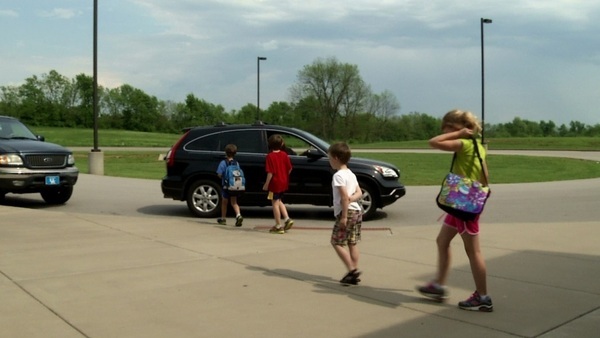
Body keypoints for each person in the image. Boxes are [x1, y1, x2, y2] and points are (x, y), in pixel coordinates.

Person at [417, 109, 493, 312]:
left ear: (456, 127)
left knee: (473, 251)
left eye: (447, 127)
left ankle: (483, 297)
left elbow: (433, 142)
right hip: (459, 202)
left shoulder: (464, 143)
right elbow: (485, 173)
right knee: (442, 241)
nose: (443, 131)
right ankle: (439, 286)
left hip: (464, 205)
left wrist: (458, 134)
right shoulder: (478, 145)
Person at [328, 142, 364, 285]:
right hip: (357, 211)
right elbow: (359, 193)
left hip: (346, 212)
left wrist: (343, 216)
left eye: (329, 157)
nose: (329, 160)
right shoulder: (351, 174)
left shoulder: (338, 176)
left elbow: (343, 197)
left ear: (336, 158)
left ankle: (351, 270)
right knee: (352, 242)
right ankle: (353, 271)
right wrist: (351, 199)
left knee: (336, 242)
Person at [263, 134, 294, 234]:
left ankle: (278, 225)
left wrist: (266, 184)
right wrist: (284, 175)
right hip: (283, 182)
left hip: (274, 183)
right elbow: (290, 168)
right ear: (281, 144)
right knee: (279, 200)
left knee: (274, 203)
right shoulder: (284, 155)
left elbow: (270, 172)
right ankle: (287, 219)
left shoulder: (270, 156)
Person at [216, 144, 243, 227]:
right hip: (234, 186)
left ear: (226, 153)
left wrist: (223, 176)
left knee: (224, 202)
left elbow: (219, 174)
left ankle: (223, 219)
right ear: (235, 153)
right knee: (234, 202)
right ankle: (238, 215)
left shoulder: (223, 162)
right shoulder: (236, 163)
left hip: (226, 186)